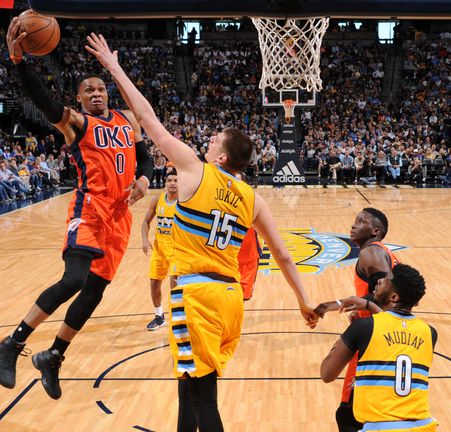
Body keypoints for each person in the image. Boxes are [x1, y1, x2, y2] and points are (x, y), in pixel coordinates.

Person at [86, 33, 318, 431]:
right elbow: (281, 255)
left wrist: (114, 68)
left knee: (203, 397)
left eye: (214, 140)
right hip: (231, 300)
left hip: (197, 296)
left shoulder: (195, 169)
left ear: (222, 156)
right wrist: (303, 301)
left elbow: (146, 118)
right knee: (187, 384)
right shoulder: (252, 198)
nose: (207, 141)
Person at [0, 18, 153, 400]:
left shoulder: (127, 122)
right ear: (79, 99)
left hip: (119, 217)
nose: (96, 93)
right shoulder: (76, 123)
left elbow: (144, 158)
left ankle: (54, 356)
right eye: (88, 90)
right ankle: (11, 344)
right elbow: (45, 102)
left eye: (100, 88)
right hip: (89, 208)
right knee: (74, 280)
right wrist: (19, 63)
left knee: (93, 293)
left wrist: (144, 180)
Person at [321, 263, 438, 432]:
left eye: (386, 279)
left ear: (394, 297)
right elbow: (394, 328)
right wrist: (370, 307)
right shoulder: (430, 332)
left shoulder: (363, 328)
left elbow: (326, 374)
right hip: (424, 426)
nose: (379, 281)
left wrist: (346, 337)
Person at [313, 208, 400, 432]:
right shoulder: (382, 252)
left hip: (373, 338)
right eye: (355, 221)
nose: (353, 226)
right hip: (387, 333)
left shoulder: (370, 253)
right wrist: (337, 305)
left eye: (360, 222)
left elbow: (385, 298)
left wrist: (362, 310)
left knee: (349, 414)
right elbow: (379, 296)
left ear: (375, 230)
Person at [141, 168, 179, 330]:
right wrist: (145, 239)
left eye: (176, 180)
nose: (172, 183)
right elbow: (145, 222)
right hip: (159, 248)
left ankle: (179, 318)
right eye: (169, 180)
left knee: (175, 285)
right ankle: (159, 316)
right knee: (154, 283)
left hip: (178, 249)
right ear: (165, 182)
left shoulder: (186, 201)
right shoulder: (158, 199)